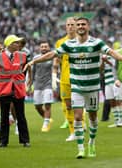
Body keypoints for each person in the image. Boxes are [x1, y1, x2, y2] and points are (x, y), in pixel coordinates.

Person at [24, 17, 122, 158]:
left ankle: (92, 143)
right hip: (76, 87)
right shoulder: (68, 44)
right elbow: (52, 54)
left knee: (93, 117)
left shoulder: (97, 43)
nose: (81, 26)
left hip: (93, 87)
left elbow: (112, 52)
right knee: (77, 116)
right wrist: (33, 61)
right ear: (75, 28)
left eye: (83, 24)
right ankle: (80, 148)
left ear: (88, 27)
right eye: (78, 25)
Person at [0, 34, 31, 148]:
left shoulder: (24, 56)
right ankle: (3, 141)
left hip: (18, 89)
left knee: (21, 116)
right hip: (4, 90)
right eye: (16, 42)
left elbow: (24, 72)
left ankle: (25, 140)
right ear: (9, 44)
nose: (18, 44)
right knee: (4, 116)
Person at [53, 17, 77, 141]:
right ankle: (72, 132)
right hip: (65, 78)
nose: (70, 27)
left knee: (79, 105)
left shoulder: (82, 41)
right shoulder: (60, 42)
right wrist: (54, 75)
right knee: (68, 105)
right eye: (68, 24)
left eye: (72, 24)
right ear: (65, 27)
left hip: (79, 77)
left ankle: (81, 125)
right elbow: (57, 59)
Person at [32, 39, 53, 132]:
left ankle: (46, 123)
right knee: (37, 106)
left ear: (49, 48)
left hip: (48, 84)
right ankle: (47, 119)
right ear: (39, 48)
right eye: (42, 46)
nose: (44, 48)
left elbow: (56, 68)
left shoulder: (53, 57)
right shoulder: (35, 58)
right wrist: (29, 83)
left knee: (47, 105)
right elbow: (32, 71)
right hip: (37, 85)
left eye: (46, 46)